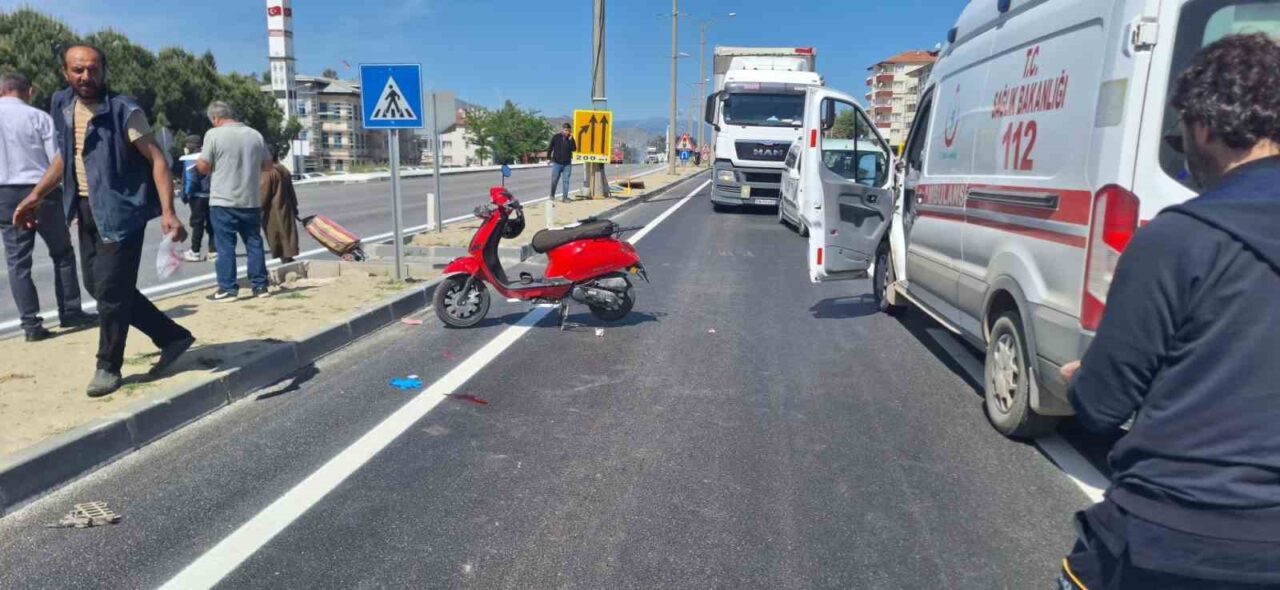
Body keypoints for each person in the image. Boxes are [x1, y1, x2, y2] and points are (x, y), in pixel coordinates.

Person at [1058, 34, 1280, 589]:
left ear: (1204, 128)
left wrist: (1082, 378)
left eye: (1180, 134)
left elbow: (1101, 406)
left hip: (1170, 541)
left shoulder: (1179, 239)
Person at [12, 45, 194, 397]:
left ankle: (108, 365)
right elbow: (66, 157)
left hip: (122, 212)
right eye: (78, 70)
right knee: (99, 287)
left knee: (110, 292)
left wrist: (169, 212)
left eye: (93, 70)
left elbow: (156, 158)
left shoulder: (124, 111)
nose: (86, 77)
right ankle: (173, 336)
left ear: (103, 71)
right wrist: (36, 195)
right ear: (65, 72)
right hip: (84, 208)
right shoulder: (62, 104)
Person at [0, 71, 96, 342]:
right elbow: (58, 160)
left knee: (18, 263)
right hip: (41, 190)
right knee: (63, 253)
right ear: (28, 91)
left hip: (5, 195)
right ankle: (71, 311)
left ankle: (31, 325)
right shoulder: (38, 117)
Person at [197, 101, 272, 301]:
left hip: (223, 200)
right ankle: (260, 286)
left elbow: (203, 167)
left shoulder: (213, 135)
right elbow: (267, 165)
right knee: (254, 243)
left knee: (225, 246)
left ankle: (228, 288)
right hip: (250, 199)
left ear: (215, 118)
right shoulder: (255, 134)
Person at [179, 135, 215, 262]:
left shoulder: (190, 159)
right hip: (211, 195)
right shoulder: (208, 157)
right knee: (211, 223)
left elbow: (191, 180)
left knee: (197, 224)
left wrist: (185, 195)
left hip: (197, 196)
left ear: (190, 146)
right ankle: (213, 251)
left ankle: (195, 251)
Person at [259, 151, 299, 263]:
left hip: (273, 211)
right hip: (287, 207)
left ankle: (286, 261)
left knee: (277, 237)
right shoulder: (284, 169)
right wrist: (295, 207)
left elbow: (263, 195)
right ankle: (288, 258)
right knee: (287, 236)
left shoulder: (268, 172)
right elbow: (291, 191)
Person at [548, 122, 576, 202]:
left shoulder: (570, 139)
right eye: (566, 130)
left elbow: (574, 149)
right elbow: (550, 147)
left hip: (567, 164)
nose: (567, 132)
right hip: (557, 163)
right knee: (554, 180)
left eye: (569, 131)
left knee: (566, 181)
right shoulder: (556, 137)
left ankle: (565, 198)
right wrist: (548, 158)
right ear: (563, 130)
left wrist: (571, 141)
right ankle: (552, 195)